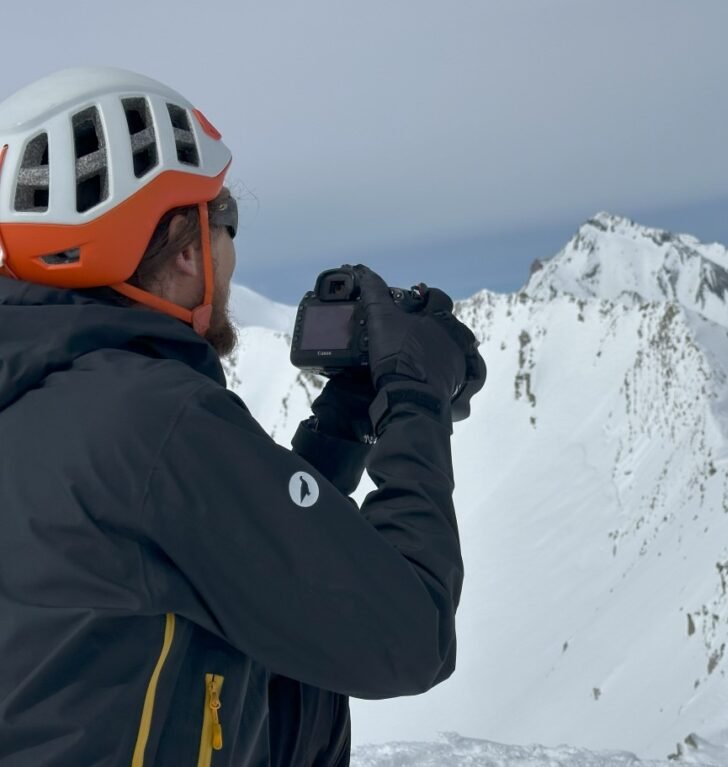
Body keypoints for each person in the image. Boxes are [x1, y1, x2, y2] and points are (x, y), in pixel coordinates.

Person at [0, 67, 477, 766]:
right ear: (189, 247)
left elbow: (249, 561)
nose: (230, 250)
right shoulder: (153, 420)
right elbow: (408, 633)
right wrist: (415, 398)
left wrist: (340, 426)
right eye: (224, 220)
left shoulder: (45, 397)